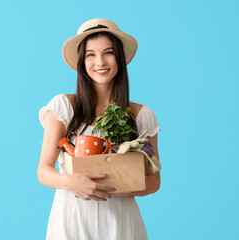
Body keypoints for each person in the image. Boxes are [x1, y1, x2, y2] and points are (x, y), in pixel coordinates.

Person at [37, 18, 161, 240]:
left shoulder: (141, 115)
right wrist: (71, 182)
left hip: (121, 224)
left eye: (108, 52)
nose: (100, 61)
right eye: (90, 54)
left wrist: (123, 185)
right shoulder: (64, 107)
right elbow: (43, 170)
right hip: (72, 222)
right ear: (82, 62)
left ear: (119, 58)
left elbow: (154, 180)